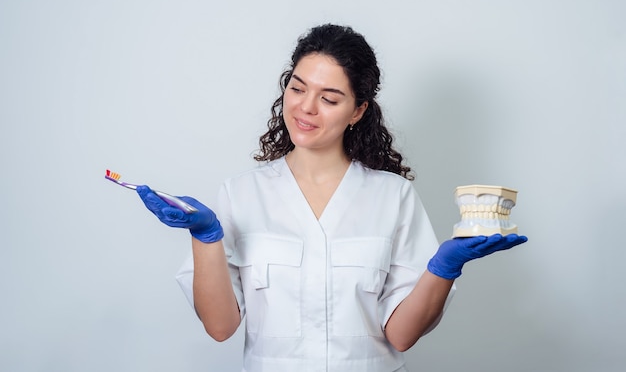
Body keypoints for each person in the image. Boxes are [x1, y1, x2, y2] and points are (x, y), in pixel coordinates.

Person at [136, 24, 527, 372]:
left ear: (357, 110)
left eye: (330, 98)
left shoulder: (392, 196)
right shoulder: (240, 195)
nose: (306, 107)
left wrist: (443, 269)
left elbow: (402, 336)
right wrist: (205, 239)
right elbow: (220, 327)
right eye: (298, 88)